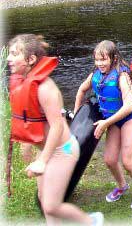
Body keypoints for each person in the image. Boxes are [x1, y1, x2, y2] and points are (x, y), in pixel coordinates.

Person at [7, 34, 103, 225]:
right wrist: (27, 145)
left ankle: (92, 221)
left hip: (64, 151)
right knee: (45, 201)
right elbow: (29, 118)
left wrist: (42, 161)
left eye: (14, 54)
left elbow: (58, 125)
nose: (8, 58)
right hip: (47, 150)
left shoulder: (46, 89)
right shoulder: (23, 84)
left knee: (51, 205)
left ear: (31, 59)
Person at [74, 40, 132, 209]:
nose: (100, 63)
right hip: (112, 122)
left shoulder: (122, 76)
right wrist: (76, 115)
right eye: (97, 60)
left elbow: (129, 105)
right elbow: (81, 90)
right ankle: (122, 186)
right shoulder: (95, 74)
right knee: (109, 160)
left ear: (114, 58)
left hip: (130, 119)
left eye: (104, 59)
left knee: (128, 162)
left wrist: (105, 123)